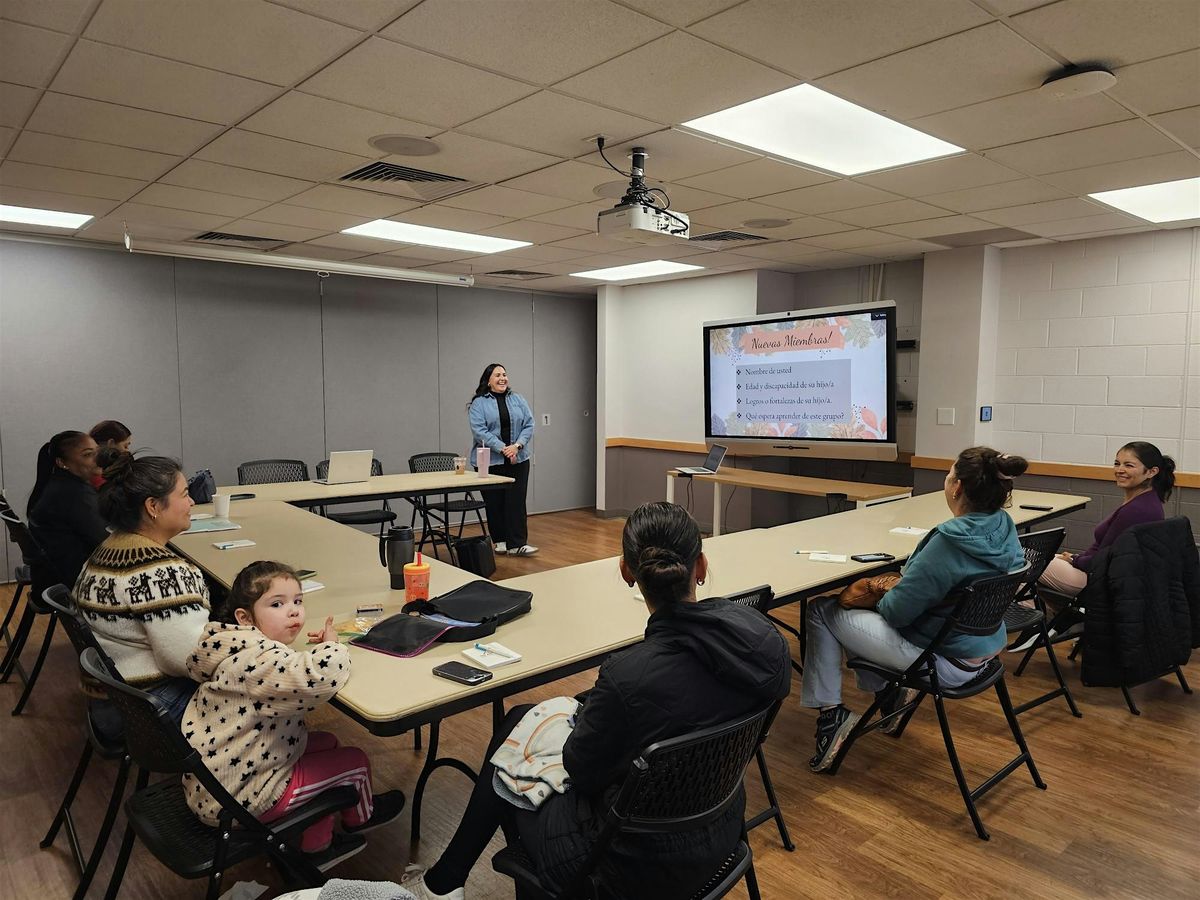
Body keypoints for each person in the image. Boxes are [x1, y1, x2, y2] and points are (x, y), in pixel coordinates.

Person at [403, 501, 792, 900]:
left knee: (508, 762)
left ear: (626, 572)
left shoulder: (628, 678)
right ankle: (444, 882)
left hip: (623, 867)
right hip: (718, 833)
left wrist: (585, 716)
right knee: (520, 717)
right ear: (702, 566)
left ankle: (445, 884)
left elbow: (582, 773)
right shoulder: (765, 643)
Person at [802, 447, 1028, 773]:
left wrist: (888, 586)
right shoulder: (1002, 525)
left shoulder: (948, 543)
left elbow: (895, 614)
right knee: (858, 616)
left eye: (949, 474)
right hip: (983, 653)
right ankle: (888, 696)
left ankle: (831, 715)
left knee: (823, 610)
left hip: (941, 661)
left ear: (957, 487)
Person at [182, 561, 405, 871]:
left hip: (216, 784)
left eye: (297, 601)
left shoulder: (230, 646)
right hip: (242, 800)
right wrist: (331, 647)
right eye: (277, 604)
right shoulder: (260, 661)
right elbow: (318, 678)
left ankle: (319, 831)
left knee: (327, 742)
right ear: (245, 617)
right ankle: (352, 826)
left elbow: (286, 673)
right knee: (355, 762)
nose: (294, 611)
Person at [74, 453, 210, 724]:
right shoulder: (160, 573)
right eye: (184, 494)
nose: (192, 501)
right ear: (153, 506)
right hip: (147, 710)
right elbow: (188, 660)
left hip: (115, 699)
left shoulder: (107, 550)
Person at [1039, 441, 1174, 597]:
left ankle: (1027, 617)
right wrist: (1075, 558)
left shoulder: (1138, 510)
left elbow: (1107, 561)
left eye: (1129, 465)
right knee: (1029, 560)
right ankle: (1041, 614)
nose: (1120, 470)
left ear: (1151, 472)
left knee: (1022, 560)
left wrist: (1075, 560)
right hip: (1095, 571)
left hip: (1098, 580)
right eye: (1117, 464)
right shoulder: (1145, 500)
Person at [467, 363, 537, 556]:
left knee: (516, 502)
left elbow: (529, 424)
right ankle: (500, 541)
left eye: (504, 374)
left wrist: (517, 446)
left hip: (519, 458)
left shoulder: (518, 399)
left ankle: (518, 544)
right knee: (495, 502)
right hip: (490, 460)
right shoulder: (479, 403)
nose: (502, 378)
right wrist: (503, 448)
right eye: (497, 375)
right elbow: (479, 431)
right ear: (488, 380)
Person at [27, 431, 107, 590]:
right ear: (62, 463)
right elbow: (104, 542)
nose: (98, 459)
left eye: (98, 452)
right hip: (76, 581)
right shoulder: (73, 493)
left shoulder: (62, 484)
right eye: (88, 455)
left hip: (56, 573)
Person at [88, 420, 132, 487]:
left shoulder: (81, 468)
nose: (127, 451)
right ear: (111, 443)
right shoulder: (103, 480)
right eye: (125, 446)